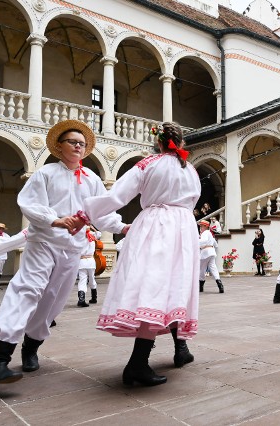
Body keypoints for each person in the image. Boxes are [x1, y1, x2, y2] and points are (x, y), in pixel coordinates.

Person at [0, 120, 126, 390]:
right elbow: (29, 203)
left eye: (81, 143)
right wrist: (54, 220)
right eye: (72, 141)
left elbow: (102, 212)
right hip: (43, 242)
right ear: (59, 146)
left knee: (53, 300)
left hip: (73, 249)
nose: (78, 146)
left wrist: (123, 227)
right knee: (28, 290)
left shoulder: (92, 179)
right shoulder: (45, 173)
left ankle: (31, 346)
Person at [81, 121, 200, 387]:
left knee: (152, 286)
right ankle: (161, 355)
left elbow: (117, 196)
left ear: (158, 142)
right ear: (181, 143)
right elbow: (192, 202)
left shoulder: (148, 163)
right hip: (183, 228)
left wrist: (86, 213)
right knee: (174, 287)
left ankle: (139, 362)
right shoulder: (190, 168)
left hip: (156, 224)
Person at [77, 227, 101, 307]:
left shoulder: (79, 236)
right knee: (92, 278)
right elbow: (99, 234)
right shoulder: (93, 235)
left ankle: (81, 299)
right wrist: (93, 228)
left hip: (82, 261)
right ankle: (94, 298)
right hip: (90, 261)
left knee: (82, 280)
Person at [198, 220, 224, 293]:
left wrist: (196, 242)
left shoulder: (205, 233)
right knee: (213, 268)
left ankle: (201, 286)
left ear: (205, 227)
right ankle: (220, 284)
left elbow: (204, 241)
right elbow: (216, 244)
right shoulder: (210, 233)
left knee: (202, 269)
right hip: (211, 252)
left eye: (202, 226)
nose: (201, 228)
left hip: (205, 252)